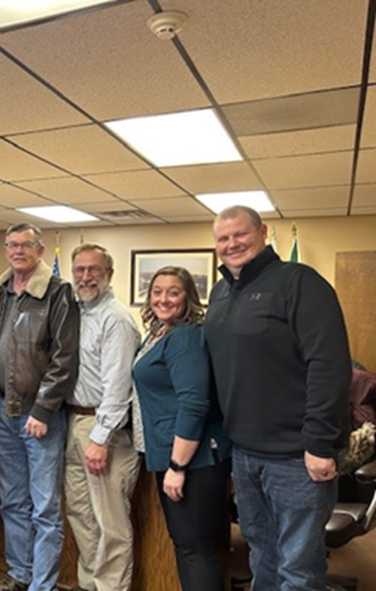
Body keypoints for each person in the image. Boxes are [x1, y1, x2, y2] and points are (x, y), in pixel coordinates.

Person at [205, 206, 351, 590]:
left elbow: (329, 364)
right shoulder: (220, 293)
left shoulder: (299, 282)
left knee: (298, 569)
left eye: (241, 234)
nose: (232, 244)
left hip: (296, 457)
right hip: (245, 452)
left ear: (263, 232)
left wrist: (319, 443)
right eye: (223, 238)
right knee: (261, 556)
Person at [0, 223, 80, 591]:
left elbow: (64, 358)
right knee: (12, 502)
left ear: (40, 251)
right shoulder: (0, 294)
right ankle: (19, 573)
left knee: (44, 510)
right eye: (11, 245)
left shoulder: (58, 292)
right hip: (2, 414)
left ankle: (42, 585)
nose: (16, 251)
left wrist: (43, 410)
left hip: (38, 417)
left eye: (25, 245)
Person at [132, 266, 232, 591]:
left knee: (194, 549)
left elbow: (194, 403)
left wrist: (178, 466)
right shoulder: (160, 331)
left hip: (193, 459)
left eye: (173, 292)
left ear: (188, 296)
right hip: (174, 453)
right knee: (192, 545)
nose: (163, 298)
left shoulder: (185, 337)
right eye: (157, 291)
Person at [64, 243, 141, 591]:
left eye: (94, 270)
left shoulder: (116, 318)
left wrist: (100, 438)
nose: (85, 277)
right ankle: (89, 584)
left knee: (110, 523)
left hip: (103, 429)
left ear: (109, 274)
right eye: (79, 270)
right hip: (75, 422)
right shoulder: (76, 312)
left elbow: (117, 384)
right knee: (80, 513)